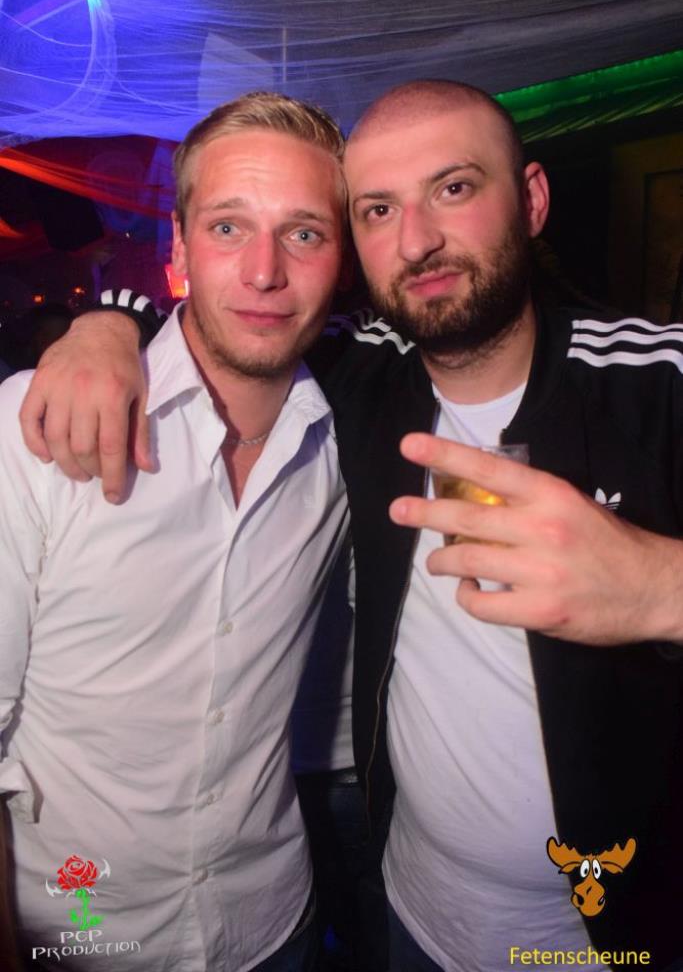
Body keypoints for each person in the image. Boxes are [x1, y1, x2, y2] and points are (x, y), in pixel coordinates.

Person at [18, 81, 683, 971]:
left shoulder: (654, 383)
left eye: (454, 188)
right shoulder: (355, 381)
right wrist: (105, 324)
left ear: (530, 200)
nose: (416, 241)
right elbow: (228, 324)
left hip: (625, 936)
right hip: (408, 915)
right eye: (377, 209)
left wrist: (661, 587)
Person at [0, 92, 350, 971]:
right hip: (77, 938)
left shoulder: (354, 439)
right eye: (229, 228)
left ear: (342, 257)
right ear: (180, 250)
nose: (264, 272)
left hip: (273, 923)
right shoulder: (31, 429)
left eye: (304, 233)